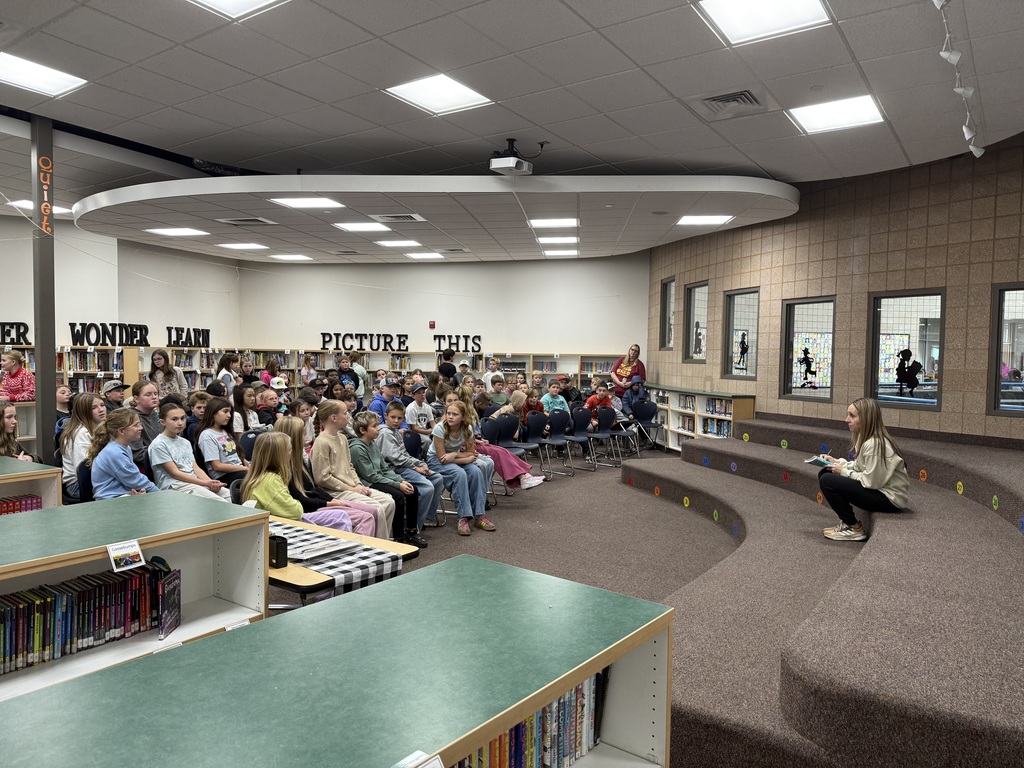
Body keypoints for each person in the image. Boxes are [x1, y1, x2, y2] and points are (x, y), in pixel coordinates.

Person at [817, 397, 910, 542]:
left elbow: (871, 482)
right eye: (848, 415)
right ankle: (849, 524)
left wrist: (843, 471)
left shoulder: (875, 444)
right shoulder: (866, 439)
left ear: (866, 419)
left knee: (828, 480)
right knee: (826, 473)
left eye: (852, 416)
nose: (846, 419)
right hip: (879, 490)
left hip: (889, 499)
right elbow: (860, 467)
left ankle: (853, 527)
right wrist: (836, 462)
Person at [274, 417, 377, 534]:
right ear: (295, 439)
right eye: (303, 435)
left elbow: (314, 487)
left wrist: (332, 500)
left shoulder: (300, 460)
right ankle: (359, 550)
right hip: (309, 509)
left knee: (372, 510)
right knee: (365, 518)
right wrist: (330, 503)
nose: (307, 438)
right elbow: (301, 499)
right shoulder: (286, 468)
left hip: (320, 501)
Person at [310, 399, 395, 539]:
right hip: (336, 492)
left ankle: (380, 540)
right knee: (377, 508)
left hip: (351, 487)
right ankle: (377, 547)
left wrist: (358, 484)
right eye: (344, 413)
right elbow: (322, 478)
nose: (348, 416)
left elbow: (349, 466)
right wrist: (351, 489)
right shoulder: (322, 442)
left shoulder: (343, 438)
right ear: (333, 418)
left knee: (389, 502)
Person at [349, 411, 426, 548]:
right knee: (398, 496)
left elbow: (384, 468)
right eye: (374, 426)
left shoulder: (372, 444)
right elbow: (371, 476)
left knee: (412, 489)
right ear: (362, 430)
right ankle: (398, 538)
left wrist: (400, 480)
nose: (378, 428)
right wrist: (397, 485)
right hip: (369, 483)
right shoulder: (356, 449)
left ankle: (411, 531)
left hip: (379, 479)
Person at [427, 400, 496, 536]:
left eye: (455, 414)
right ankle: (463, 517)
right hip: (436, 460)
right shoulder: (439, 428)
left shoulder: (467, 429)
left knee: (476, 471)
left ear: (463, 417)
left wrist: (455, 454)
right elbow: (443, 458)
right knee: (459, 473)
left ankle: (479, 515)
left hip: (455, 458)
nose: (450, 417)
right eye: (448, 413)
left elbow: (471, 453)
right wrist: (466, 458)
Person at [376, 401, 444, 531]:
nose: (396, 421)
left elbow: (405, 455)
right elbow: (394, 458)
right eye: (393, 417)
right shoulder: (385, 433)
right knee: (427, 487)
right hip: (395, 469)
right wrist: (415, 468)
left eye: (399, 418)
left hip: (404, 465)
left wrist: (421, 463)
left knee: (437, 478)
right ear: (386, 416)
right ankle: (411, 525)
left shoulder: (395, 432)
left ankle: (424, 518)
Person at [148, 403, 231, 501]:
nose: (180, 423)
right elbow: (175, 473)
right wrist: (204, 483)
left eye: (182, 418)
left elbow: (195, 468)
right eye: (174, 419)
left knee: (231, 496)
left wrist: (211, 482)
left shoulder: (185, 442)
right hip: (174, 485)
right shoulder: (158, 444)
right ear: (162, 422)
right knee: (220, 502)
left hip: (194, 482)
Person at [87, 409, 160, 500]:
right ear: (121, 431)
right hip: (110, 500)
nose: (141, 428)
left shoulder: (125, 447)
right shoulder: (114, 453)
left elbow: (132, 480)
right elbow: (136, 480)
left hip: (123, 495)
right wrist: (159, 494)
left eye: (139, 424)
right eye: (136, 425)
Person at [59, 393, 106, 498]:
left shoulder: (100, 428)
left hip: (95, 479)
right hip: (78, 485)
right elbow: (85, 469)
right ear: (83, 412)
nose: (101, 410)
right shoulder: (81, 434)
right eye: (94, 408)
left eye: (102, 405)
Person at [196, 396, 248, 482]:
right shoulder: (207, 435)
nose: (229, 415)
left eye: (230, 412)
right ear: (213, 413)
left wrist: (244, 462)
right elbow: (217, 466)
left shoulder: (224, 430)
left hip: (238, 469)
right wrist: (244, 469)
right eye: (225, 411)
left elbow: (233, 454)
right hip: (223, 476)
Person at [128, 380, 161, 465]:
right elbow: (139, 454)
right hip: (146, 465)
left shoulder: (157, 415)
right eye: (148, 395)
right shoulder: (130, 418)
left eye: (155, 394)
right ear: (136, 399)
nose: (154, 397)